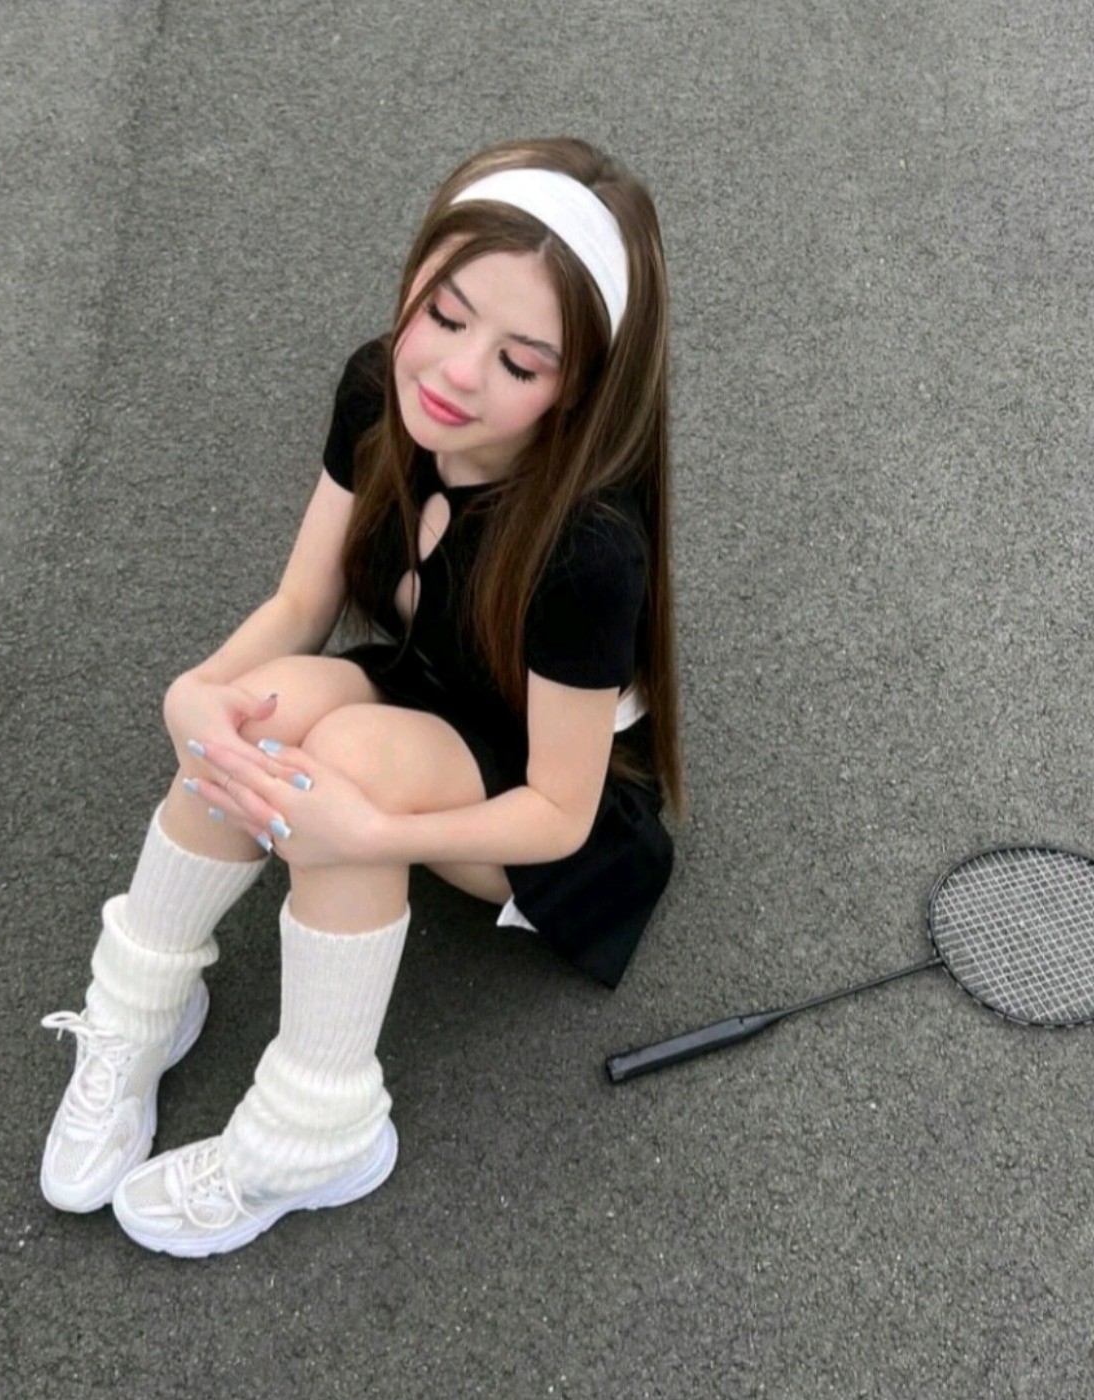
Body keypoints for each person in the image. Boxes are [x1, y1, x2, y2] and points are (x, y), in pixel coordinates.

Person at [40, 137, 683, 1257]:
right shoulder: (375, 384)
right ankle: (140, 1008)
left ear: (573, 389)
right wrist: (196, 692)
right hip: (425, 687)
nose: (454, 372)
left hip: (542, 817)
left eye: (518, 363)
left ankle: (319, 1126)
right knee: (262, 710)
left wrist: (368, 829)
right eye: (444, 313)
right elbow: (303, 597)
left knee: (341, 769)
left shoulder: (587, 547)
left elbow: (559, 810)